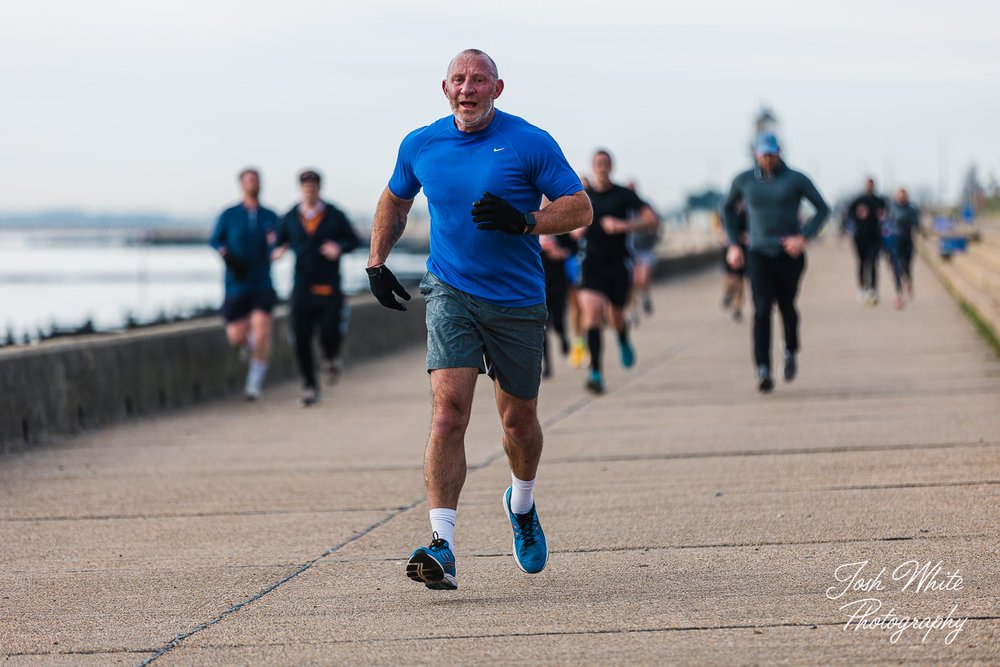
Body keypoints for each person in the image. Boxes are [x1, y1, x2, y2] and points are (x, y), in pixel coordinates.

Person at [366, 49, 592, 590]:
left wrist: (526, 220)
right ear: (444, 88)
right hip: (450, 290)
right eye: (459, 80)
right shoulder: (421, 144)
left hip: (516, 300)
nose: (469, 88)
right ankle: (442, 546)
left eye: (480, 80)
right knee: (448, 414)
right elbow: (395, 200)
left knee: (518, 424)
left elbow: (580, 207)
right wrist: (376, 261)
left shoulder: (529, 142)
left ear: (498, 88)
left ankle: (522, 504)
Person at [724, 132, 830, 393]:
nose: (767, 158)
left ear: (779, 152)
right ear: (755, 153)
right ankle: (762, 368)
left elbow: (823, 209)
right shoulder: (744, 180)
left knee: (787, 307)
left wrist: (802, 238)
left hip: (789, 254)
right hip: (758, 253)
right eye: (763, 154)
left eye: (772, 153)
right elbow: (727, 209)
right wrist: (734, 244)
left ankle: (790, 349)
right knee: (761, 309)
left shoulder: (796, 179)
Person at [272, 170, 361, 406]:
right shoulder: (290, 217)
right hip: (301, 286)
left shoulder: (334, 215)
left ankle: (331, 357)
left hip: (329, 286)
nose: (309, 190)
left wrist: (339, 248)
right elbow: (279, 241)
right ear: (300, 189)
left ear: (319, 188)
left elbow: (355, 241)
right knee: (300, 338)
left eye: (313, 186)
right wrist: (278, 250)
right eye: (305, 186)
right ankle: (309, 386)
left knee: (329, 332)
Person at [577, 149, 659, 394]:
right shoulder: (584, 196)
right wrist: (575, 230)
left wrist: (624, 225)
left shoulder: (624, 195)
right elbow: (564, 222)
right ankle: (596, 373)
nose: (601, 167)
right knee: (592, 316)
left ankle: (622, 337)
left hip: (618, 265)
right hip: (591, 264)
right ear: (592, 167)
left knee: (616, 317)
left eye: (605, 163)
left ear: (611, 166)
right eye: (598, 163)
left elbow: (651, 219)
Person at [209, 168, 279, 400]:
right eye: (249, 180)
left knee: (262, 330)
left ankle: (254, 384)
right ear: (242, 184)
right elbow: (215, 240)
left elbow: (281, 241)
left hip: (262, 282)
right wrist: (225, 253)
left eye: (257, 180)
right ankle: (247, 345)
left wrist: (278, 249)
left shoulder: (270, 216)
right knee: (237, 337)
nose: (253, 184)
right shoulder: (229, 214)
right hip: (235, 283)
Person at [540, 232, 577, 378]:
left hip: (559, 283)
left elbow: (573, 249)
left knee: (559, 321)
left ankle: (563, 337)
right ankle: (547, 365)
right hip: (539, 286)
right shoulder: (529, 225)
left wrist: (560, 252)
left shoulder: (561, 230)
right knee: (543, 329)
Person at [847, 178, 888, 305]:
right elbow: (849, 216)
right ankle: (862, 288)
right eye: (868, 185)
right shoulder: (858, 201)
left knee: (874, 263)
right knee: (861, 264)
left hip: (875, 237)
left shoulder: (880, 201)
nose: (869, 187)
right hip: (860, 238)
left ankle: (873, 290)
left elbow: (885, 217)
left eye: (871, 185)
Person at [627, 181, 661, 324]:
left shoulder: (645, 206)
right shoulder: (623, 207)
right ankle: (633, 312)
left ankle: (646, 296)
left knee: (643, 279)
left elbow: (656, 222)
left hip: (646, 249)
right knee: (632, 282)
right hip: (630, 250)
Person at [712, 199, 748, 322]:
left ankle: (737, 308)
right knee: (730, 278)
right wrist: (722, 237)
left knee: (740, 281)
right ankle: (728, 294)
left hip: (743, 250)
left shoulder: (747, 213)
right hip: (728, 249)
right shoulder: (725, 212)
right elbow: (717, 229)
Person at [887, 188, 920, 309]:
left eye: (903, 195)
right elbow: (887, 225)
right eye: (899, 196)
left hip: (908, 242)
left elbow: (917, 224)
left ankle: (909, 281)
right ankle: (898, 295)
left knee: (906, 267)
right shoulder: (892, 209)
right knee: (897, 269)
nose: (901, 197)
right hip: (895, 243)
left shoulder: (911, 209)